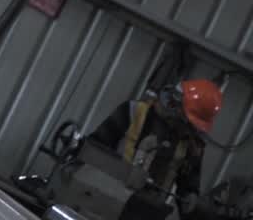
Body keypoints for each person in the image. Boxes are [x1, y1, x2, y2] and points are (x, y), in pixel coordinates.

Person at [86, 78, 223, 215]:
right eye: (187, 121)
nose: (189, 128)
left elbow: (188, 186)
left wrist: (191, 196)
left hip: (147, 213)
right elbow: (93, 149)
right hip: (104, 201)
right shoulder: (133, 112)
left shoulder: (192, 144)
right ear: (175, 105)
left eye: (193, 125)